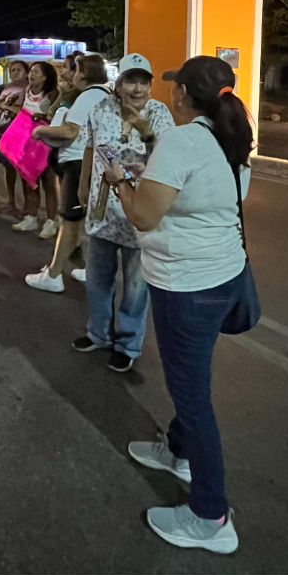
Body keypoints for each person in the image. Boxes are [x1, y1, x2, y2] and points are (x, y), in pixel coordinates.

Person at [105, 55, 252, 553]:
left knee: (193, 396)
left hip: (187, 285)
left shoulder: (184, 139)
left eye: (174, 86)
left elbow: (144, 215)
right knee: (193, 378)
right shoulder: (232, 136)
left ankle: (211, 517)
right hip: (223, 274)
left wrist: (119, 182)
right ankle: (177, 451)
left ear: (184, 95)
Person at [71, 54, 173, 373]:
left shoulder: (159, 113)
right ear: (119, 83)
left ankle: (128, 343)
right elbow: (89, 147)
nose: (138, 88)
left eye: (144, 82)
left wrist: (140, 159)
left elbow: (166, 155)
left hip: (138, 211)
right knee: (97, 279)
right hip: (103, 209)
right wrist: (83, 184)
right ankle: (98, 333)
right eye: (131, 80)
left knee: (135, 287)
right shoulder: (101, 108)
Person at [25, 53, 111, 292]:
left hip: (77, 162)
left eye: (73, 69)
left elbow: (70, 131)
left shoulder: (86, 97)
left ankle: (53, 275)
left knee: (69, 222)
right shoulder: (107, 95)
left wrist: (41, 130)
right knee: (87, 221)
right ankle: (92, 269)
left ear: (82, 73)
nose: (69, 74)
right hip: (98, 162)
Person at [11, 61, 61, 238]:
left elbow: (57, 118)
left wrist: (40, 118)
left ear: (46, 77)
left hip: (46, 145)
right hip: (27, 143)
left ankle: (50, 222)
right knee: (29, 182)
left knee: (48, 184)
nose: (32, 75)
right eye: (31, 72)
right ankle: (31, 218)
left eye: (37, 73)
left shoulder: (52, 94)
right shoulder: (26, 91)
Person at [0, 60, 29, 216]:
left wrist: (5, 107)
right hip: (1, 134)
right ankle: (11, 201)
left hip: (17, 134)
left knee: (23, 171)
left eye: (18, 70)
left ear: (26, 72)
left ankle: (28, 207)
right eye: (12, 70)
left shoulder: (27, 89)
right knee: (8, 169)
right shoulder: (8, 87)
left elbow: (24, 110)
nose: (14, 73)